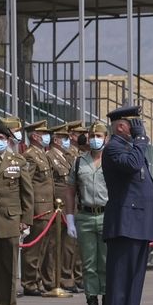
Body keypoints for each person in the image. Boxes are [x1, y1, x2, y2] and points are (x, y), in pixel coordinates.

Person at [102, 105, 153, 305]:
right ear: (120, 127)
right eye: (134, 124)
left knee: (134, 280)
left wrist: (138, 143)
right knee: (120, 280)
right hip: (125, 223)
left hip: (139, 223)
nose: (139, 128)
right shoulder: (114, 147)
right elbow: (132, 166)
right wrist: (141, 141)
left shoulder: (131, 147)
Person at [0, 119, 30, 305]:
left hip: (11, 220)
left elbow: (27, 192)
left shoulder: (18, 162)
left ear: (8, 141)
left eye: (2, 138)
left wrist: (26, 220)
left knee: (9, 267)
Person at [21, 121, 68, 299]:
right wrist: (29, 209)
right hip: (38, 207)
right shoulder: (30, 156)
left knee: (45, 248)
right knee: (34, 248)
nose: (47, 136)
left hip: (49, 206)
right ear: (34, 136)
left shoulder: (42, 155)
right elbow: (28, 184)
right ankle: (29, 282)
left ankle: (38, 279)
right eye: (43, 133)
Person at [68, 121, 110, 305]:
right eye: (92, 136)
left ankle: (107, 297)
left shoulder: (111, 161)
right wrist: (70, 218)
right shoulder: (78, 161)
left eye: (99, 136)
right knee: (88, 262)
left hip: (106, 215)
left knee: (106, 260)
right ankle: (92, 300)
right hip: (85, 216)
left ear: (106, 138)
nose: (95, 139)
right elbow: (70, 191)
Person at [58, 119, 84, 293]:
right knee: (66, 246)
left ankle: (76, 276)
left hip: (76, 204)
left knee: (75, 246)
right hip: (62, 205)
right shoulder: (69, 155)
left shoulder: (77, 155)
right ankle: (66, 277)